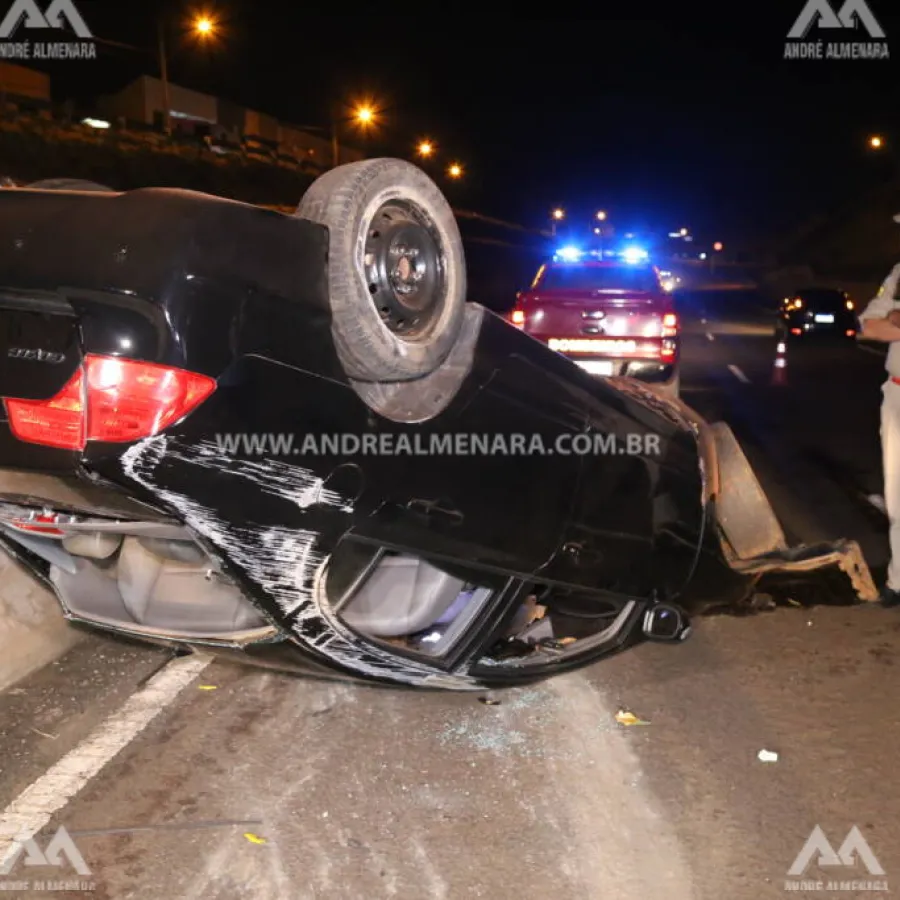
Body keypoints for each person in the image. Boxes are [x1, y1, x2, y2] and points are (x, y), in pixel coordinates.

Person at [859, 230, 900, 605]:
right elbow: (870, 326)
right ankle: (898, 582)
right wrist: (892, 317)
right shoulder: (898, 274)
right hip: (898, 394)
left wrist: (898, 318)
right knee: (898, 496)